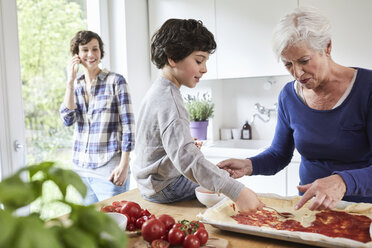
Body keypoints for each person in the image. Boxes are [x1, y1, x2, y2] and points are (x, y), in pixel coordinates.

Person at [218, 6, 372, 211]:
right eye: (288, 64)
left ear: (327, 46)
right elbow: (278, 155)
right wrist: (248, 165)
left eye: (304, 60)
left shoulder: (367, 88)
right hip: (308, 211)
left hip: (362, 211)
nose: (297, 72)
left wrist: (342, 182)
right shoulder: (289, 96)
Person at [132, 18, 264, 213]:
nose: (204, 69)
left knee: (215, 180)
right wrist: (236, 190)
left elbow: (161, 147)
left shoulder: (157, 91)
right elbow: (187, 159)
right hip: (165, 187)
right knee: (228, 199)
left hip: (150, 184)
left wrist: (216, 174)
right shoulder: (170, 100)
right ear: (173, 57)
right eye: (199, 60)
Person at [59, 30, 135, 205]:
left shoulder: (116, 81)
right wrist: (69, 82)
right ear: (76, 54)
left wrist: (124, 165)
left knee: (114, 225)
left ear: (101, 52)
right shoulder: (76, 85)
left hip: (109, 169)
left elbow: (128, 127)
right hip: (81, 170)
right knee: (90, 229)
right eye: (85, 49)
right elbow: (67, 120)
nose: (91, 54)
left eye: (95, 49)